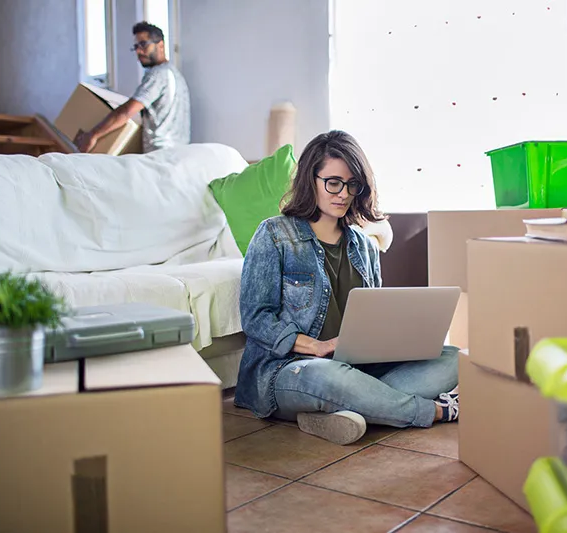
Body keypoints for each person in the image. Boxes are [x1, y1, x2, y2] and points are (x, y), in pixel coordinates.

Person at [234, 130, 459, 446]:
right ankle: (433, 411)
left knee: (454, 358)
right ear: (310, 180)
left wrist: (396, 341)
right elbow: (256, 318)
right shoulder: (274, 234)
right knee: (327, 377)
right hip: (290, 370)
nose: (343, 194)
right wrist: (317, 347)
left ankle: (344, 408)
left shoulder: (365, 246)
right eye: (334, 183)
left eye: (353, 185)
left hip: (358, 368)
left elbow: (375, 316)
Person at [75, 21, 190, 154]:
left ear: (161, 45)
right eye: (136, 46)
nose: (139, 51)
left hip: (161, 154)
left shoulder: (158, 74)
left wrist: (93, 135)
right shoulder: (174, 74)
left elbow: (127, 111)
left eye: (143, 44)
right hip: (178, 153)